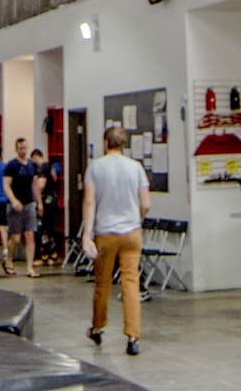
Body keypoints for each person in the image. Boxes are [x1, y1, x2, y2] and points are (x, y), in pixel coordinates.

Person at [83, 123, 151, 357]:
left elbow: (90, 202)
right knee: (130, 284)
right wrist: (136, 220)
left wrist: (87, 234)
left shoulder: (95, 167)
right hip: (132, 233)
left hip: (106, 233)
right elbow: (146, 204)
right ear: (124, 144)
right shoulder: (136, 168)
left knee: (102, 283)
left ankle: (97, 327)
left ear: (105, 143)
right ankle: (133, 337)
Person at [4, 137, 43, 277]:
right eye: (20, 148)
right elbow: (6, 185)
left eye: (25, 148)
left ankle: (29, 267)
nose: (23, 151)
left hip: (29, 204)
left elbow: (34, 185)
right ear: (16, 149)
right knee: (15, 237)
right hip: (16, 205)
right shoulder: (11, 166)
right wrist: (13, 201)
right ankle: (9, 259)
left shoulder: (32, 165)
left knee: (30, 235)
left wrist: (39, 202)